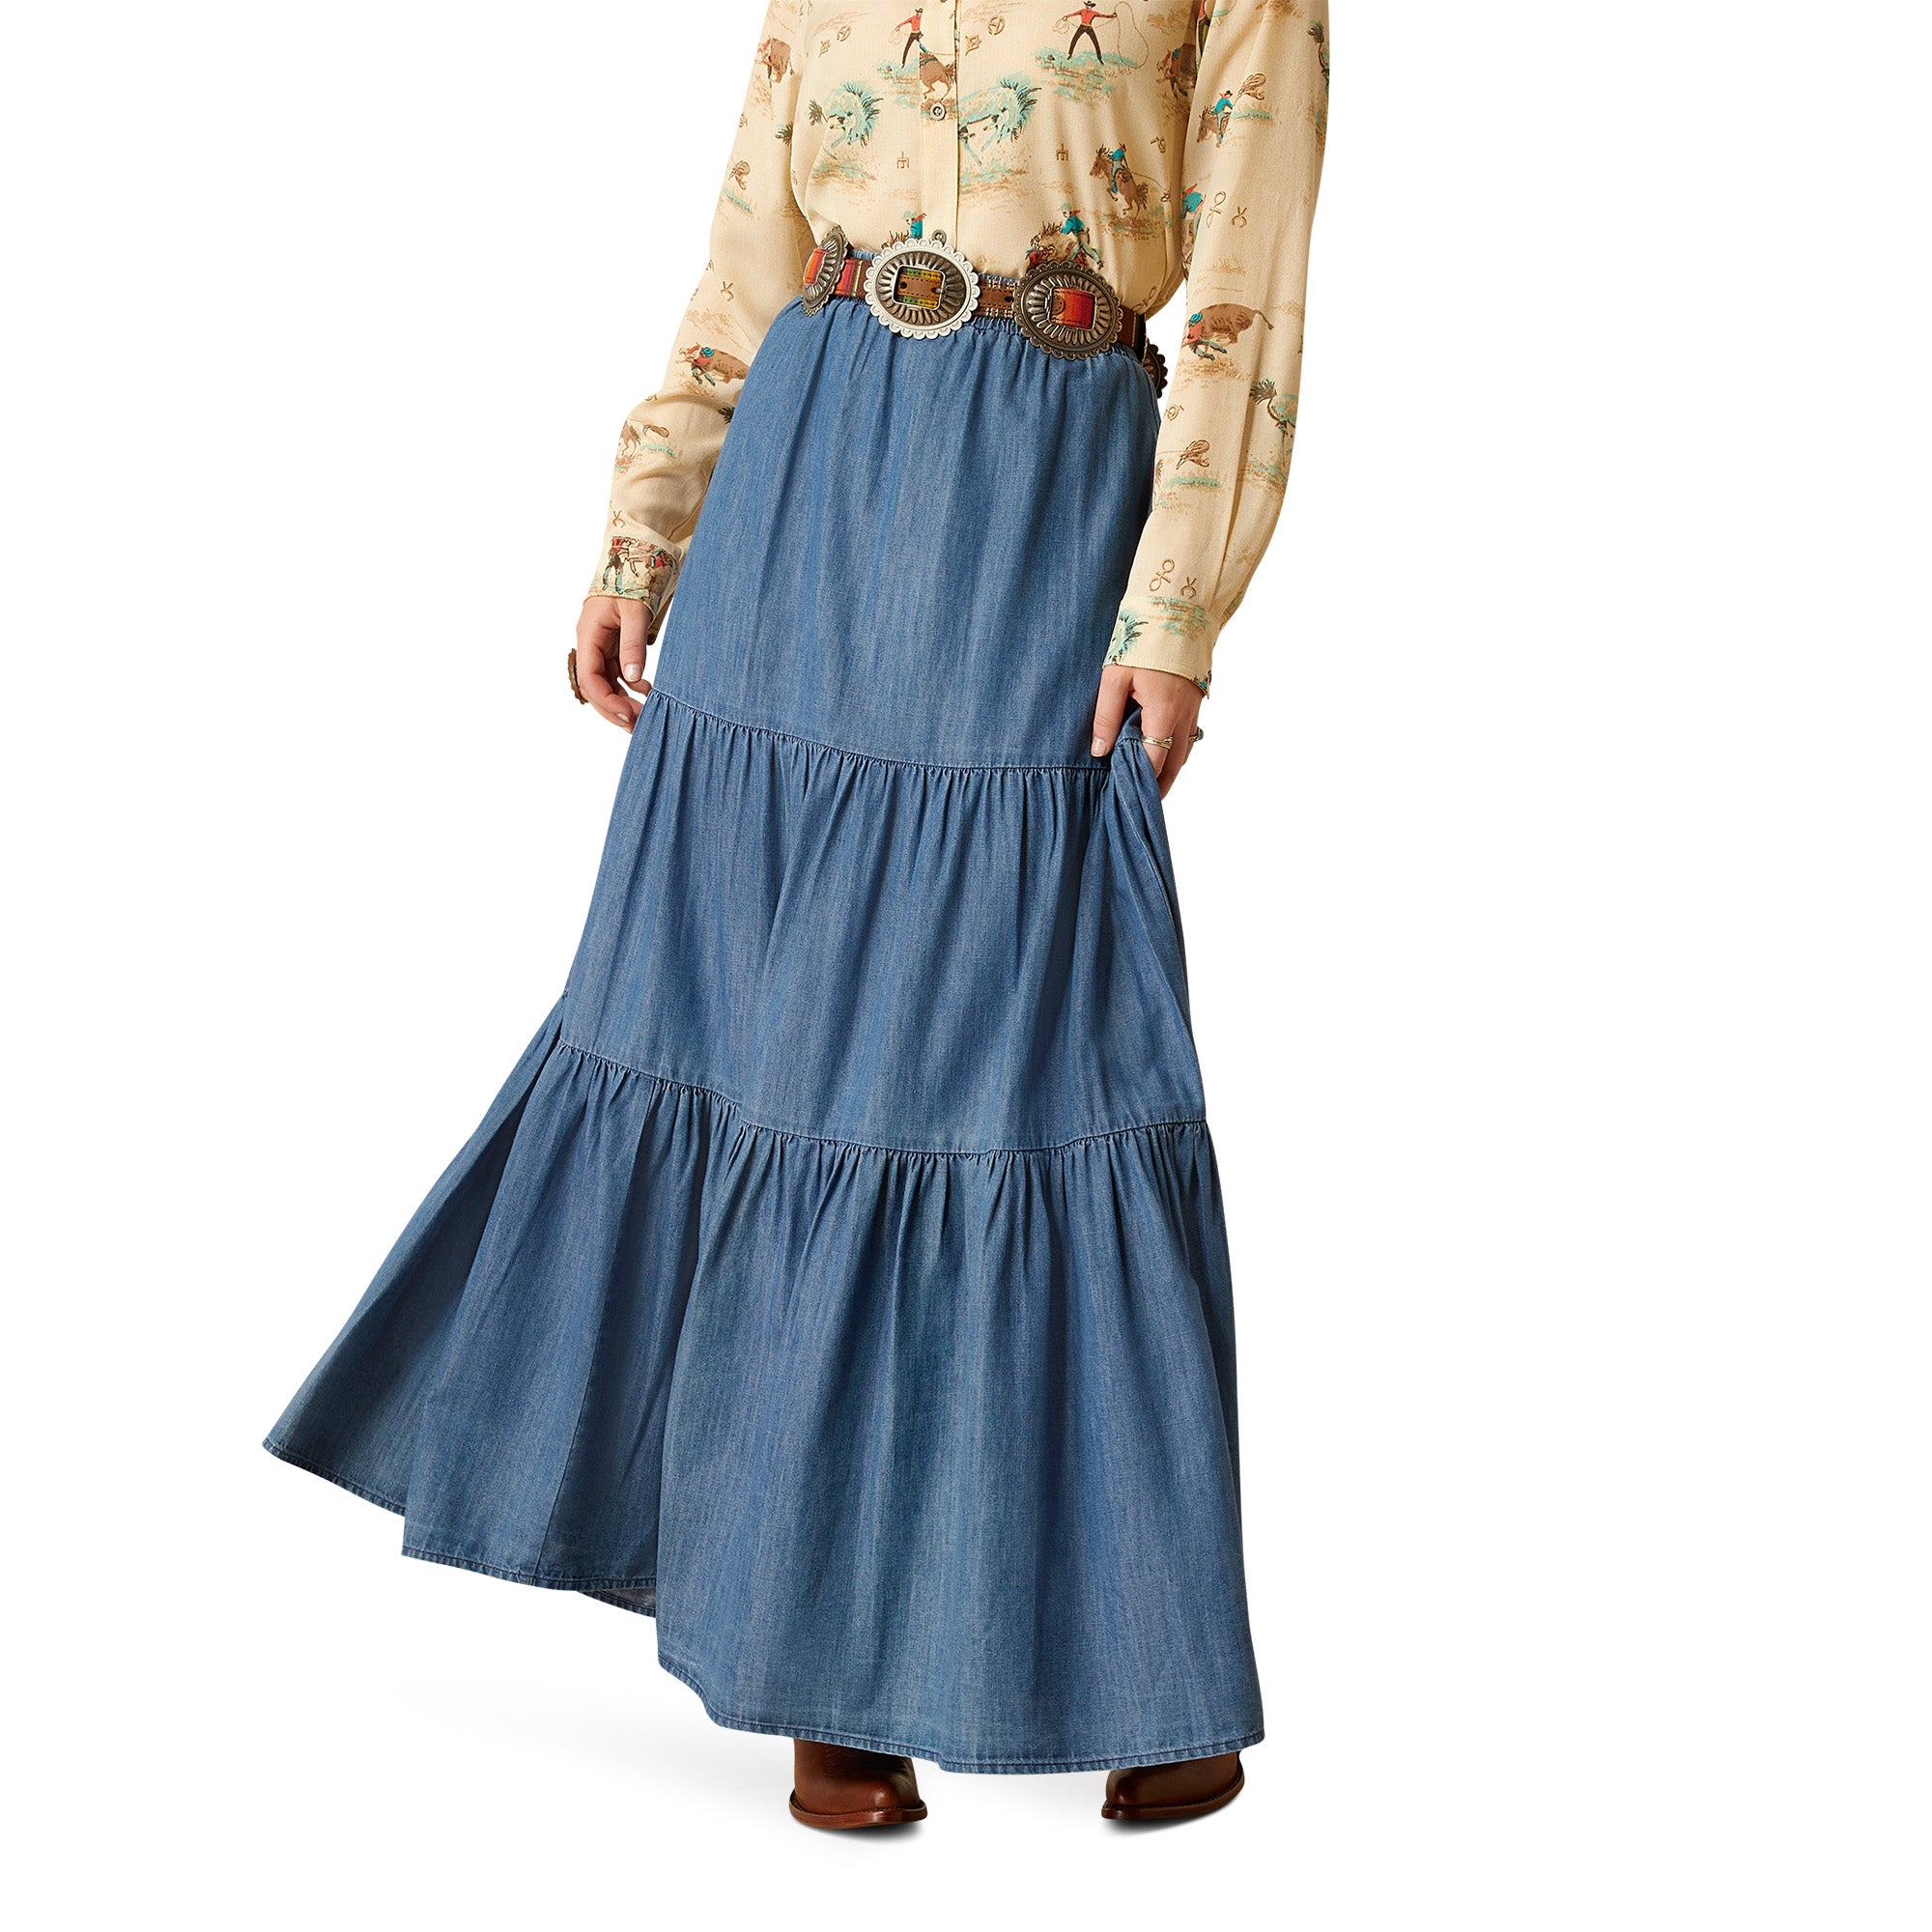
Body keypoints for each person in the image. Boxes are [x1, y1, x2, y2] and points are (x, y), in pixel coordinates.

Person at [267, 0, 1328, 1831]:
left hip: (1035, 508)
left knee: (1046, 1065)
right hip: (799, 502)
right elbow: (749, 249)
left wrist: (1176, 609)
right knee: (760, 1066)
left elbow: (1246, 305)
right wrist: (645, 526)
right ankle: (811, 1653)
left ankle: (1139, 1656)